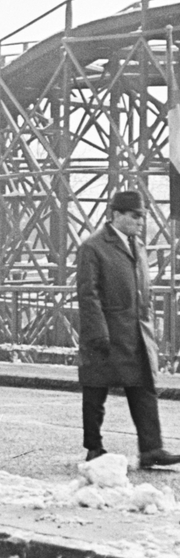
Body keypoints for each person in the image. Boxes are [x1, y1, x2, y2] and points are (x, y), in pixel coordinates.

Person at [75, 188, 180, 469]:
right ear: (116, 215)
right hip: (107, 333)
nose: (140, 222)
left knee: (144, 389)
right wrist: (97, 333)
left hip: (135, 333)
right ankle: (94, 448)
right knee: (96, 390)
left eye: (142, 217)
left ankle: (151, 449)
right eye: (135, 216)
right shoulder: (93, 246)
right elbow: (88, 294)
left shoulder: (137, 246)